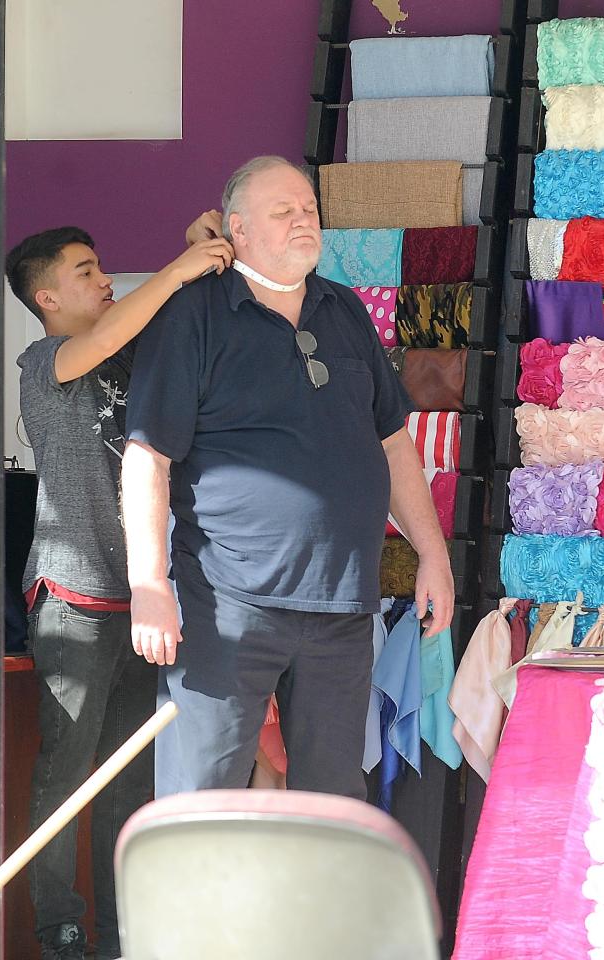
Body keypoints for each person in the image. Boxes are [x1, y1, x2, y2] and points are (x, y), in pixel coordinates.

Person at [121, 155, 454, 801]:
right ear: (237, 230)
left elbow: (392, 444)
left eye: (308, 209)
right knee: (203, 794)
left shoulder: (343, 310)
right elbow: (147, 457)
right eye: (283, 212)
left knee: (330, 802)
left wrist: (432, 554)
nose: (303, 221)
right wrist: (148, 584)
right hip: (227, 604)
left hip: (341, 605)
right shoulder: (193, 315)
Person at [7, 221, 233, 960]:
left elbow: (152, 325)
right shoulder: (42, 362)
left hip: (145, 600)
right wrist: (175, 264)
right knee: (66, 776)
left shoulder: (133, 350)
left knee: (123, 781)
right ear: (46, 298)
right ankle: (59, 930)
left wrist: (203, 244)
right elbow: (103, 341)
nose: (105, 281)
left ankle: (117, 934)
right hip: (74, 599)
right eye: (86, 272)